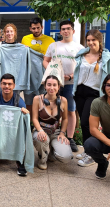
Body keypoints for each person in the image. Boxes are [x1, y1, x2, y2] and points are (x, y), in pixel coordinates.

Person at [73, 30, 110, 167]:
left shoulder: (107, 58)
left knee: (87, 122)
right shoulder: (81, 55)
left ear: (99, 41)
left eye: (93, 40)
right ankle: (87, 150)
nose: (91, 43)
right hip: (79, 91)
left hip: (94, 94)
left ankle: (91, 154)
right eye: (88, 40)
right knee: (83, 122)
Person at [43, 20, 84, 152]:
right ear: (60, 31)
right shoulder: (53, 45)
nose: (66, 31)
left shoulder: (79, 48)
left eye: (68, 29)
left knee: (70, 110)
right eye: (63, 29)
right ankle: (54, 134)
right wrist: (51, 72)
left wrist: (71, 76)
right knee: (53, 109)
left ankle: (70, 137)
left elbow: (83, 65)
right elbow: (45, 60)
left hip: (71, 84)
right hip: (55, 84)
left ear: (73, 31)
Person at [0, 73, 29, 176]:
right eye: (4, 83)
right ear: (0, 85)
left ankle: (19, 160)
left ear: (14, 86)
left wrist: (26, 113)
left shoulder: (18, 100)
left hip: (13, 128)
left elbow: (23, 120)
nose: (6, 86)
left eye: (9, 84)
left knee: (21, 134)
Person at [32, 75, 73, 170]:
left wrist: (62, 133)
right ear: (45, 86)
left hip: (56, 132)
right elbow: (34, 118)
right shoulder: (37, 99)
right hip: (41, 130)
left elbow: (66, 119)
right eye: (49, 85)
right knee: (42, 139)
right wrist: (40, 130)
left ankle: (52, 152)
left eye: (54, 85)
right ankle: (42, 158)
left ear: (59, 87)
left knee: (66, 157)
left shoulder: (63, 100)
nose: (51, 88)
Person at [21, 17, 55, 113]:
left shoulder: (50, 40)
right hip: (30, 75)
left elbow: (53, 57)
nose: (36, 30)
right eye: (34, 28)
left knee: (44, 99)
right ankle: (31, 123)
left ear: (42, 27)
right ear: (30, 28)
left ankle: (44, 122)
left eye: (38, 28)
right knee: (29, 101)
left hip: (44, 74)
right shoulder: (25, 39)